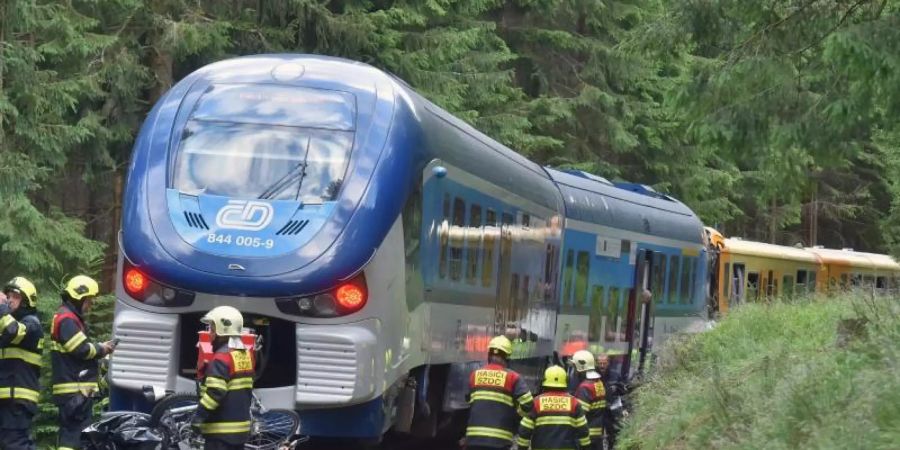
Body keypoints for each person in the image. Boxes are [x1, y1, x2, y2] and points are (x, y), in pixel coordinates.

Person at [50, 275, 117, 450]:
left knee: (75, 437)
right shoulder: (67, 319)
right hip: (75, 392)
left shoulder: (67, 317)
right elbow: (81, 350)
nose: (90, 306)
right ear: (79, 298)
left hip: (75, 392)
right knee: (73, 438)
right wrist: (102, 349)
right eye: (88, 301)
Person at [192, 306, 255, 450]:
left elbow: (215, 392)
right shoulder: (245, 355)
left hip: (221, 432)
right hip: (240, 429)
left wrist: (199, 417)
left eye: (213, 330)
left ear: (222, 331)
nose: (210, 334)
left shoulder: (221, 358)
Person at [463, 335, 533, 450]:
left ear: (489, 355)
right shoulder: (513, 377)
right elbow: (528, 404)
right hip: (500, 441)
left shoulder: (475, 375)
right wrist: (516, 415)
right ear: (507, 357)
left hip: (473, 440)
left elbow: (469, 402)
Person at [0, 277, 42, 450]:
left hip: (18, 399)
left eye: (15, 296)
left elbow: (13, 331)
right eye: (8, 295)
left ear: (27, 300)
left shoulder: (32, 323)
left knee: (15, 444)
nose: (10, 299)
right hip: (6, 397)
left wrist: (1, 308)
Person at [516, 365, 590, 450]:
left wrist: (522, 448)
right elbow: (583, 430)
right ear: (565, 381)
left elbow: (525, 430)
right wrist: (586, 447)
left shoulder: (537, 402)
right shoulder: (574, 403)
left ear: (545, 381)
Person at [570, 350, 606, 449]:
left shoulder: (585, 387)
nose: (574, 371)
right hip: (597, 435)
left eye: (575, 367)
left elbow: (580, 414)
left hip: (586, 436)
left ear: (581, 367)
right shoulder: (598, 383)